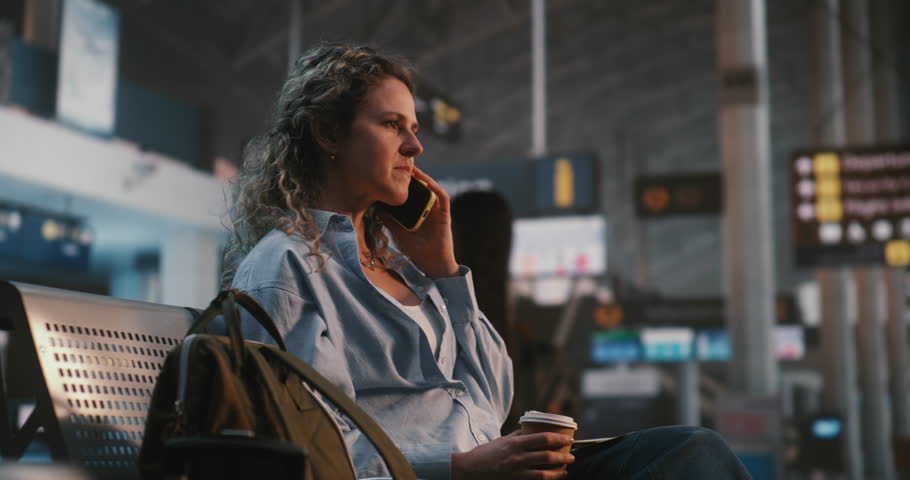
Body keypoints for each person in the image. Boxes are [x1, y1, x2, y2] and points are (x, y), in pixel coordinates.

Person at [222, 42, 751, 480]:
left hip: (486, 469)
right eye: (391, 125)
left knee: (688, 450)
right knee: (690, 458)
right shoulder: (287, 271)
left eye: (413, 127)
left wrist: (446, 271)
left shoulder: (404, 267)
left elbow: (494, 399)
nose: (414, 145)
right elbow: (318, 452)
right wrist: (460, 467)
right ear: (327, 133)